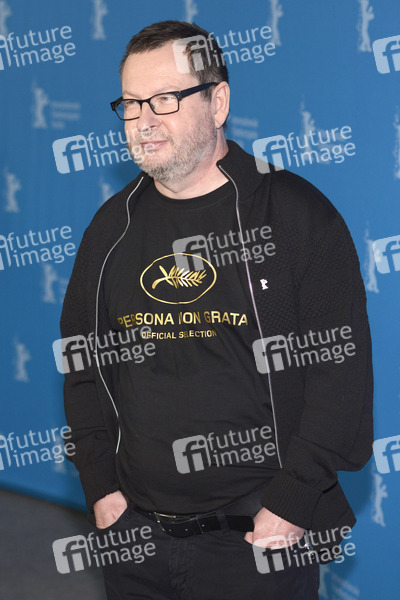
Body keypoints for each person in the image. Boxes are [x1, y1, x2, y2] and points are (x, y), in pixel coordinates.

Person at [60, 20, 373, 600]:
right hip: (135, 537)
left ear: (218, 101)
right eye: (131, 103)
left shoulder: (296, 216)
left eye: (165, 99)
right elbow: (83, 365)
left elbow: (341, 374)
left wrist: (292, 503)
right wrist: (101, 487)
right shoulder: (110, 229)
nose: (143, 120)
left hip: (256, 540)